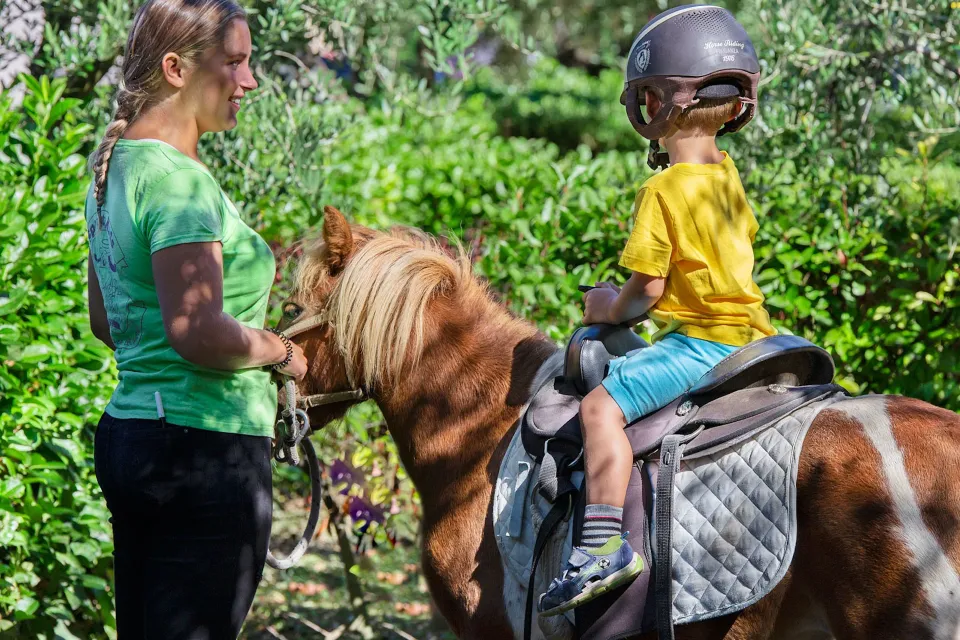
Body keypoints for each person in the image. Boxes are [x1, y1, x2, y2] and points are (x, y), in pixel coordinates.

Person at [539, 4, 776, 616]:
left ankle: (601, 547)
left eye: (646, 96)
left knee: (598, 408)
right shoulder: (727, 173)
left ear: (662, 104)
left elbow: (645, 290)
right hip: (754, 338)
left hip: (701, 346)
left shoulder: (663, 189)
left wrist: (607, 308)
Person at [84, 1, 308, 637]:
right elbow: (198, 331)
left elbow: (107, 321)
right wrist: (282, 354)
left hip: (131, 437)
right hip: (203, 452)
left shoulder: (114, 170)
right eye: (234, 62)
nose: (250, 81)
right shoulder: (181, 184)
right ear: (176, 68)